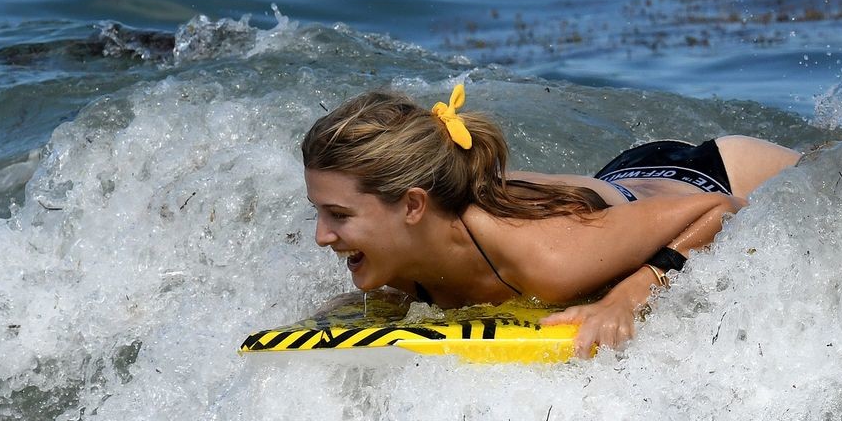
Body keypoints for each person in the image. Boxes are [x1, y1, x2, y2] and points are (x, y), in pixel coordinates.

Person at [300, 84, 800, 356]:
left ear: (413, 206)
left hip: (720, 174)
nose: (322, 236)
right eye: (318, 211)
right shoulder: (399, 252)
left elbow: (725, 210)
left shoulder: (551, 260)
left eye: (338, 215)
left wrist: (626, 297)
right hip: (617, 190)